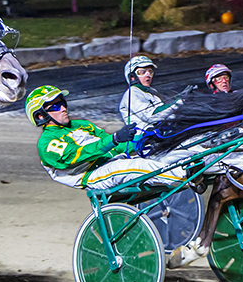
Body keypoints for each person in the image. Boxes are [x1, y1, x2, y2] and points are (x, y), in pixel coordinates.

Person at [26, 85, 184, 192]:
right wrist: (114, 139)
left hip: (114, 161)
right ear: (40, 116)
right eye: (54, 107)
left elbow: (115, 145)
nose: (63, 108)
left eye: (62, 103)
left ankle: (192, 165)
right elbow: (77, 155)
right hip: (92, 175)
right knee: (135, 165)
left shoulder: (81, 124)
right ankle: (184, 177)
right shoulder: (46, 142)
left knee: (160, 151)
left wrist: (145, 139)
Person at [118, 56, 187, 128]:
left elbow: (165, 112)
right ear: (132, 77)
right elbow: (151, 116)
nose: (148, 75)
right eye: (142, 72)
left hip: (159, 132)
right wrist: (179, 100)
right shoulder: (132, 93)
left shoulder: (151, 92)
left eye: (150, 72)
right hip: (142, 136)